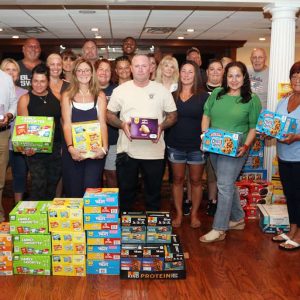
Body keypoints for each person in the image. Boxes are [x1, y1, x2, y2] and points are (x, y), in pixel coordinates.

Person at [199, 61, 262, 243]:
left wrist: (246, 146)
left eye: (238, 76)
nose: (234, 80)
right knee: (226, 183)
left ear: (244, 78)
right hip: (214, 144)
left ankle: (219, 228)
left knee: (224, 185)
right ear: (225, 77)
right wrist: (204, 136)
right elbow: (206, 115)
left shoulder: (251, 99)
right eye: (230, 76)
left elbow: (253, 127)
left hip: (236, 147)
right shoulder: (217, 93)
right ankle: (238, 218)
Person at [107, 54, 177, 212]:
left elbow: (173, 115)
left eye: (144, 66)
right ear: (131, 69)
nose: (140, 69)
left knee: (153, 195)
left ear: (151, 68)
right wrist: (122, 125)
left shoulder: (161, 90)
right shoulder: (120, 90)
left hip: (154, 152)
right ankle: (126, 228)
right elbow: (109, 115)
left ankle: (151, 231)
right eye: (136, 66)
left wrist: (161, 127)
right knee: (126, 194)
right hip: (127, 152)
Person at [166, 61, 209, 228]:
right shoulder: (172, 95)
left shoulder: (204, 96)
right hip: (175, 144)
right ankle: (178, 214)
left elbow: (209, 121)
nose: (186, 74)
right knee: (177, 180)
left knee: (196, 181)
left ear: (196, 75)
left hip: (197, 147)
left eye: (190, 72)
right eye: (183, 71)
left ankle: (194, 214)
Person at [61, 58, 108, 197]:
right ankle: (76, 219)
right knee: (74, 190)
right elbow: (66, 124)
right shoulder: (67, 96)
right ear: (75, 73)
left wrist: (104, 149)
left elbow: (103, 124)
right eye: (80, 70)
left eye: (87, 70)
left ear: (92, 73)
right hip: (74, 151)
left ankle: (90, 219)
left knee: (91, 188)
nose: (83, 73)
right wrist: (71, 148)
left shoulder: (100, 95)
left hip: (95, 151)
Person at [17, 64, 62, 200]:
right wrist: (27, 148)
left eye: (42, 81)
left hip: (55, 147)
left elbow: (62, 122)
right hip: (35, 150)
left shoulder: (57, 97)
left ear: (48, 81)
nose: (39, 84)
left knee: (52, 183)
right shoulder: (25, 99)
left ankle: (49, 217)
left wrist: (65, 146)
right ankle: (36, 217)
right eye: (35, 81)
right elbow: (23, 128)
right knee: (38, 184)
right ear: (31, 81)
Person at [271, 62, 300, 251]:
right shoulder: (284, 100)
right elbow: (275, 125)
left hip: (299, 158)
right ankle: (292, 230)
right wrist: (268, 132)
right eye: (294, 76)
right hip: (284, 157)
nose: (297, 80)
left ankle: (299, 235)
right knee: (291, 195)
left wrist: (296, 136)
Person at [0, 59, 28, 204]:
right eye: (7, 69)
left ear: (18, 73)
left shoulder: (25, 93)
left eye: (14, 69)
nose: (11, 72)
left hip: (16, 142)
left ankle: (18, 209)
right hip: (3, 138)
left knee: (17, 176)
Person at [204, 59, 224, 216]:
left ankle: (213, 201)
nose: (215, 72)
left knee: (213, 173)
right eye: (212, 69)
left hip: (218, 138)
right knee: (194, 175)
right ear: (207, 72)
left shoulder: (227, 91)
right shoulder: (199, 89)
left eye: (219, 69)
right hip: (198, 136)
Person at [95, 59, 118, 187]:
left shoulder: (118, 90)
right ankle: (94, 205)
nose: (104, 72)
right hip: (92, 140)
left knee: (111, 174)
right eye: (101, 69)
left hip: (113, 140)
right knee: (94, 175)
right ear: (95, 72)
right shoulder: (88, 89)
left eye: (107, 70)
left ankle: (112, 205)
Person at [0, 69, 17, 221]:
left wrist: (10, 115)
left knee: (0, 178)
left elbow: (13, 102)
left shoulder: (6, 78)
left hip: (2, 133)